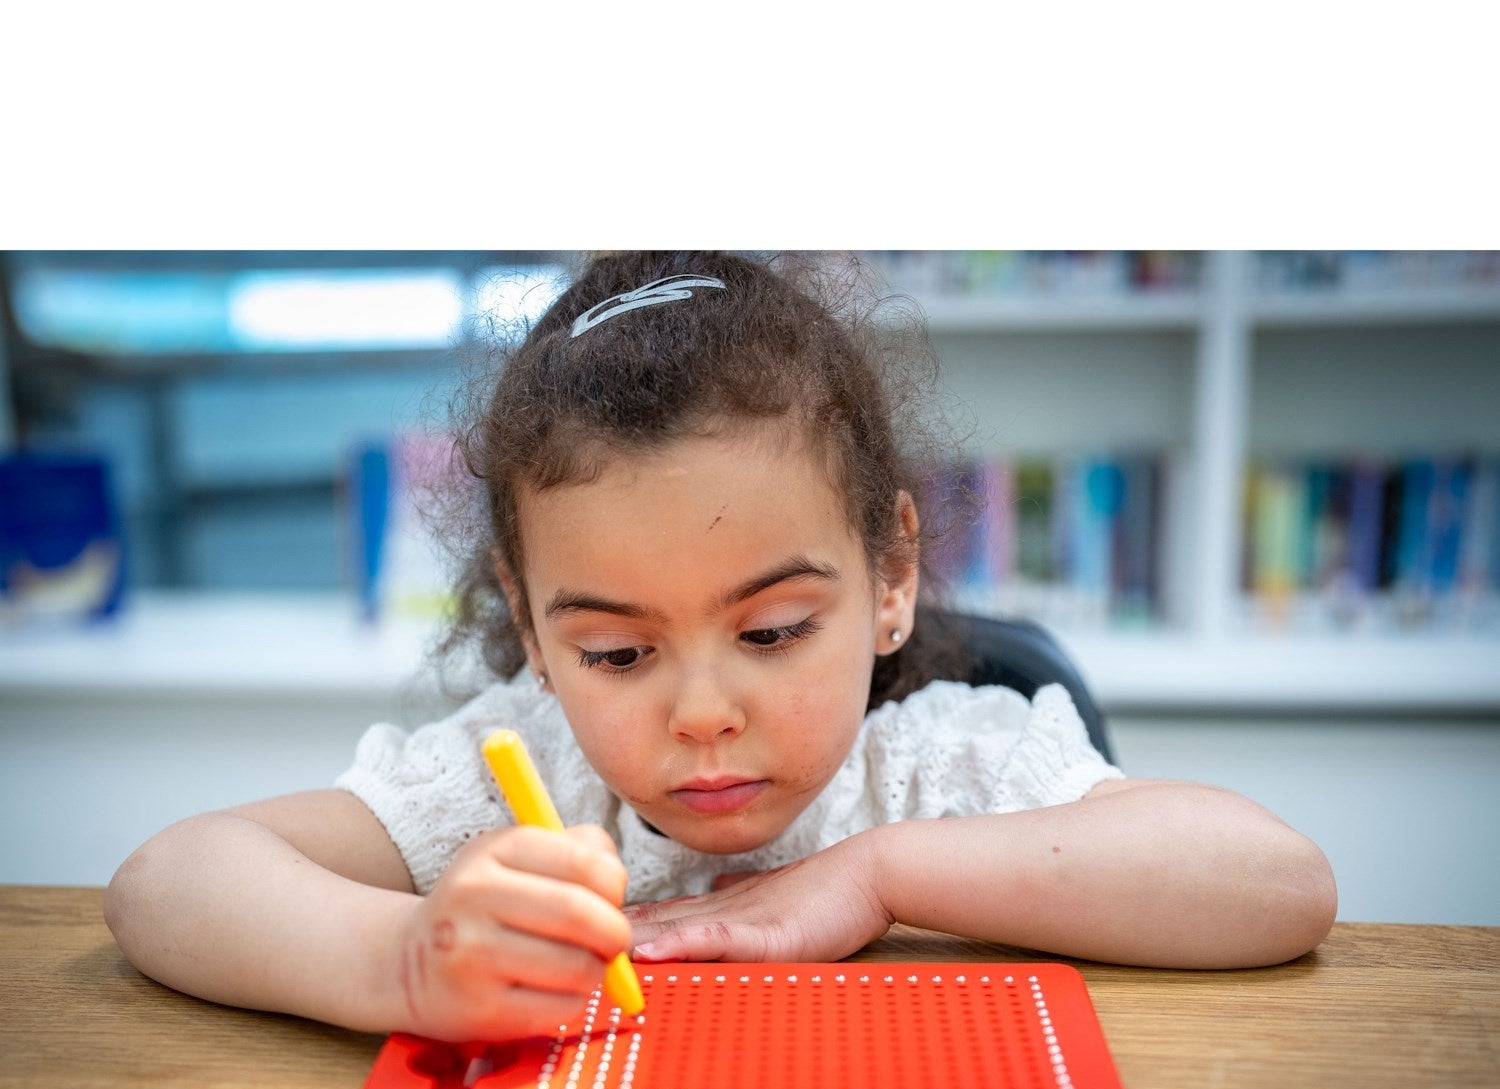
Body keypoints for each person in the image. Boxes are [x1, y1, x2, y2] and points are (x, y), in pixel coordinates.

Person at [105, 251, 1337, 1044]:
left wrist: (882, 874)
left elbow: (1279, 886)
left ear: (890, 576)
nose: (702, 712)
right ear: (530, 628)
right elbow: (165, 882)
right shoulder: (512, 778)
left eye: (773, 632)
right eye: (617, 655)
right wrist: (399, 965)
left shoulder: (937, 771)